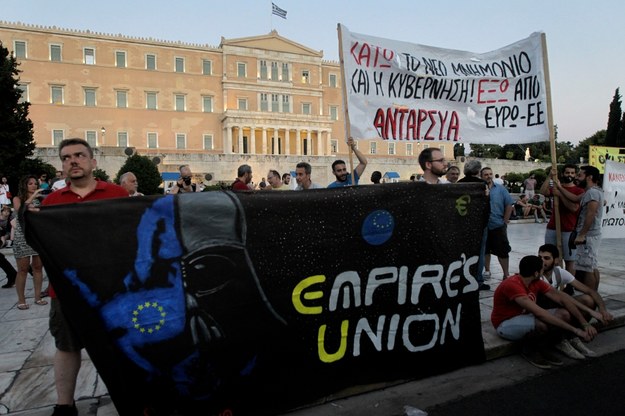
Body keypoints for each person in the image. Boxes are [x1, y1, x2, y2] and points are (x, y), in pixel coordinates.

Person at [38, 138, 129, 416]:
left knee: (119, 345)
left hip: (110, 287)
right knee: (66, 346)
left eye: (79, 155)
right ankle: (64, 405)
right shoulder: (51, 202)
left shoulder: (116, 195)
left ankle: (130, 398)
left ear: (93, 161)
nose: (72, 161)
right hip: (65, 290)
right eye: (66, 158)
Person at [491, 255, 598, 369]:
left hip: (525, 317)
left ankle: (551, 344)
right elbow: (540, 313)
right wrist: (575, 330)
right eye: (542, 269)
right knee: (542, 324)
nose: (544, 271)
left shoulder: (535, 282)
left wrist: (584, 323)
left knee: (564, 314)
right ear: (536, 273)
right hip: (504, 323)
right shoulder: (512, 284)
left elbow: (561, 298)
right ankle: (529, 350)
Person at [538, 244, 613, 325]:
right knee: (564, 313)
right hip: (539, 308)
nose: (541, 261)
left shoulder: (558, 272)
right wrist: (591, 312)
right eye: (539, 258)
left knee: (588, 299)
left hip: (556, 303)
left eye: (546, 258)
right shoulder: (535, 274)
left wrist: (602, 310)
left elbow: (590, 291)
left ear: (556, 260)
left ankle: (582, 329)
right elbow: (562, 298)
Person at [540, 164, 585, 275]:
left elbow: (574, 208)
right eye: (567, 172)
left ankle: (569, 285)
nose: (569, 175)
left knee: (570, 259)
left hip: (569, 229)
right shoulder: (556, 187)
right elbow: (543, 191)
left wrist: (560, 194)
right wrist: (550, 176)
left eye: (572, 173)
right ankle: (551, 282)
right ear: (562, 174)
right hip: (552, 227)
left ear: (575, 175)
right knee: (550, 257)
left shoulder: (579, 191)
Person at [12, 175, 47, 310]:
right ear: (24, 185)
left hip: (36, 237)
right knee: (23, 270)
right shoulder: (17, 199)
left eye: (35, 183)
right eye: (30, 184)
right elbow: (21, 212)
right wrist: (34, 197)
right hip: (22, 238)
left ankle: (37, 297)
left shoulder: (39, 199)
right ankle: (21, 300)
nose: (34, 186)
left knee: (38, 268)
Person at [458, 160, 490, 290]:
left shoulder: (459, 184)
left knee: (462, 252)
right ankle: (477, 280)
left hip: (463, 223)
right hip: (479, 222)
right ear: (478, 171)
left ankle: (461, 278)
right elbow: (486, 204)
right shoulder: (482, 184)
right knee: (480, 252)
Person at [570, 166, 603, 291]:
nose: (577, 178)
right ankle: (594, 296)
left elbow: (591, 213)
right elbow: (575, 199)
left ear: (589, 177)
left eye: (580, 175)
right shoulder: (593, 191)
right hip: (591, 235)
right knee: (592, 266)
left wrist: (582, 234)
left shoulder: (592, 193)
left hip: (588, 236)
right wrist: (560, 189)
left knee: (587, 268)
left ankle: (590, 297)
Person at [481, 166, 514, 279]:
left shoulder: (500, 189)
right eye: (486, 174)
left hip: (497, 224)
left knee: (502, 250)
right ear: (481, 176)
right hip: (483, 225)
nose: (488, 176)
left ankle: (506, 273)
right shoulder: (478, 189)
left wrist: (504, 221)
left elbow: (509, 204)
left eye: (490, 174)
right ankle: (487, 270)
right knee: (485, 249)